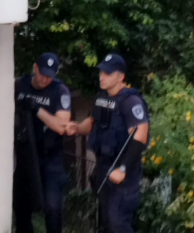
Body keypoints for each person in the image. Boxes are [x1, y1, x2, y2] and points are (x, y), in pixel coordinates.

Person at [67, 54, 149, 233]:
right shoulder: (102, 98)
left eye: (108, 73)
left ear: (120, 77)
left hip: (124, 172)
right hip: (103, 168)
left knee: (117, 222)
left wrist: (123, 169)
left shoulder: (130, 101)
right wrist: (77, 128)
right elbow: (93, 123)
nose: (102, 77)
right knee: (105, 223)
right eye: (101, 72)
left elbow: (141, 135)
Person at [13, 53, 73, 233]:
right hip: (24, 155)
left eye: (49, 76)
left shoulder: (59, 91)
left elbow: (61, 126)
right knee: (21, 207)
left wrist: (37, 108)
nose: (45, 79)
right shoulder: (20, 85)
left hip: (49, 158)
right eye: (42, 74)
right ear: (35, 68)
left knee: (52, 207)